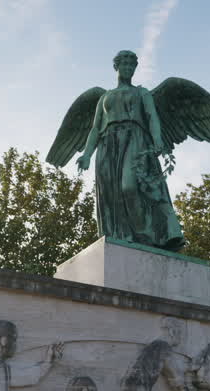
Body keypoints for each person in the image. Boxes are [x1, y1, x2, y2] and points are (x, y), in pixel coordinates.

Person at [77, 50, 184, 250]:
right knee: (112, 194)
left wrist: (157, 139)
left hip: (135, 139)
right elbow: (95, 129)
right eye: (124, 64)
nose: (128, 69)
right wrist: (87, 154)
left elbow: (152, 117)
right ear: (116, 67)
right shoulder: (105, 97)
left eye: (131, 66)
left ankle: (147, 234)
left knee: (129, 187)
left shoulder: (141, 93)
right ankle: (123, 235)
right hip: (108, 144)